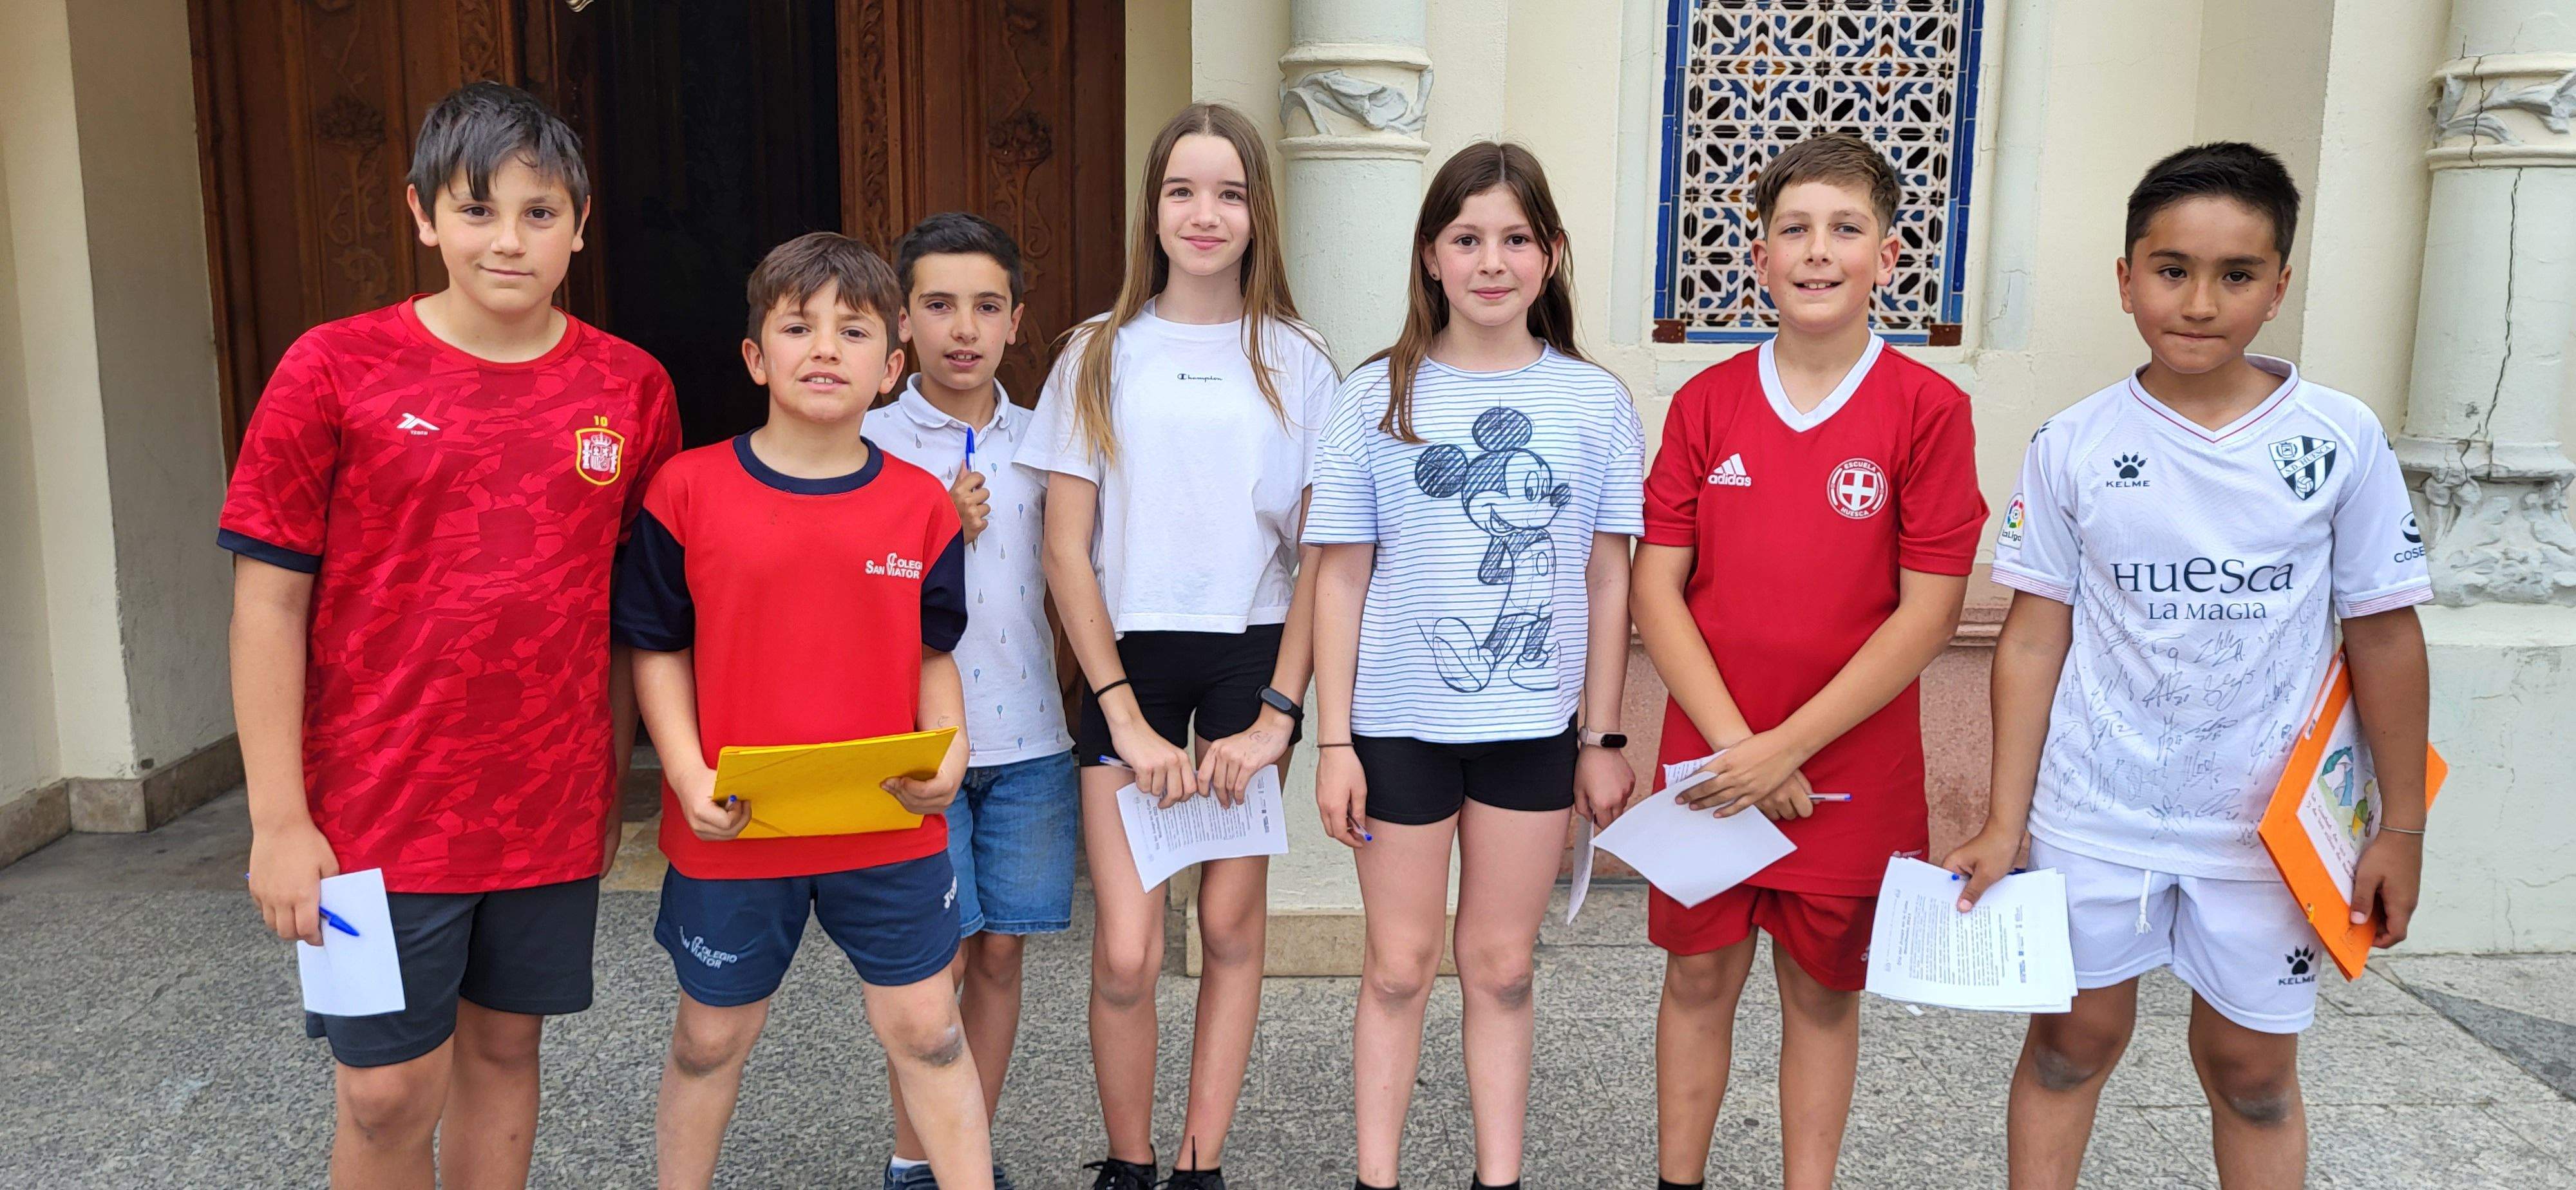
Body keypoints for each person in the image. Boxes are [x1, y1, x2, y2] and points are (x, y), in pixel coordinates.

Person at [1944, 142, 2432, 1189]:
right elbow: (2034, 637)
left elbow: (2385, 633)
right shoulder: (2073, 442)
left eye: (2237, 275)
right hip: (2094, 812)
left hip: (2266, 831)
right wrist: (2002, 819)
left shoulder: (2340, 439)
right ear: (2126, 280)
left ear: (2279, 288)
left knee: (2252, 1072)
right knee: (2073, 1045)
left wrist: (2399, 826)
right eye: (2172, 270)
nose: (2200, 301)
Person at [224, 80, 677, 1190]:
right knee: (382, 1092)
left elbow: (640, 610)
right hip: (368, 805)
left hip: (544, 804)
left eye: (539, 212)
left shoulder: (631, 388)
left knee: (505, 1048)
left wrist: (619, 784)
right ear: (423, 213)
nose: (508, 240)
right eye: (478, 210)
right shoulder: (332, 369)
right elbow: (266, 604)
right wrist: (279, 820)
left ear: (580, 223)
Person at [1630, 131, 1987, 1190]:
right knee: (1698, 981)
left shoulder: (1929, 410)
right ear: (1758, 255)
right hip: (1714, 753)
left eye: (1846, 229)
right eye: (1795, 229)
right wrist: (1745, 751)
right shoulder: (1706, 404)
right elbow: (1658, 588)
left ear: (1889, 256)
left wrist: (1789, 747)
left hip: (1853, 769)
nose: (1818, 251)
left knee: (1824, 994)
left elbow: (1926, 617)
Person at [611, 232, 990, 1190]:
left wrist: (951, 752)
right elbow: (657, 647)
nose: (825, 348)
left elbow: (932, 649)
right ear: (755, 356)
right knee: (709, 1038)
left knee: (929, 1030)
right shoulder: (686, 491)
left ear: (892, 368)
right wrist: (688, 772)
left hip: (886, 823)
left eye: (854, 330)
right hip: (736, 823)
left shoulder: (922, 508)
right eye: (797, 326)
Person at [1306, 140, 1642, 1190]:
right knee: (1400, 967)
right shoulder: (1377, 399)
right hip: (1397, 733)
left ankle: (1500, 1176)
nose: (1490, 262)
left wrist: (1602, 737)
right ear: (1431, 257)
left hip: (1533, 739)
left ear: (1549, 256)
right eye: (1467, 239)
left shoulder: (1595, 404)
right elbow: (1341, 579)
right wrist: (1333, 742)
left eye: (1514, 239)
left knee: (1500, 969)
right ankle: (1379, 1175)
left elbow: (1606, 582)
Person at [1018, 102, 1338, 1190]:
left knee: (1234, 926)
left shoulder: (1296, 361)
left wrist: (1277, 718)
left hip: (1249, 657)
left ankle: (1198, 1164)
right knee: (1126, 948)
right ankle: (1129, 1158)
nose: (1206, 215)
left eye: (1230, 193)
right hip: (1131, 666)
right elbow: (1067, 551)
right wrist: (1118, 712)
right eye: (1183, 191)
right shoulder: (1097, 354)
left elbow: (1322, 556)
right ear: (1152, 210)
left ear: (1259, 214)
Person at [871, 212, 1078, 1190]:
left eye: (987, 306)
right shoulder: (865, 441)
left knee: (1002, 955)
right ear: (902, 320)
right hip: (914, 749)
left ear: (1016, 320)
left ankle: (969, 1157)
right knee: (932, 969)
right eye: (939, 304)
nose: (965, 328)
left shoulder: (1049, 445)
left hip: (1033, 741)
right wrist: (927, 522)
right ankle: (916, 1159)